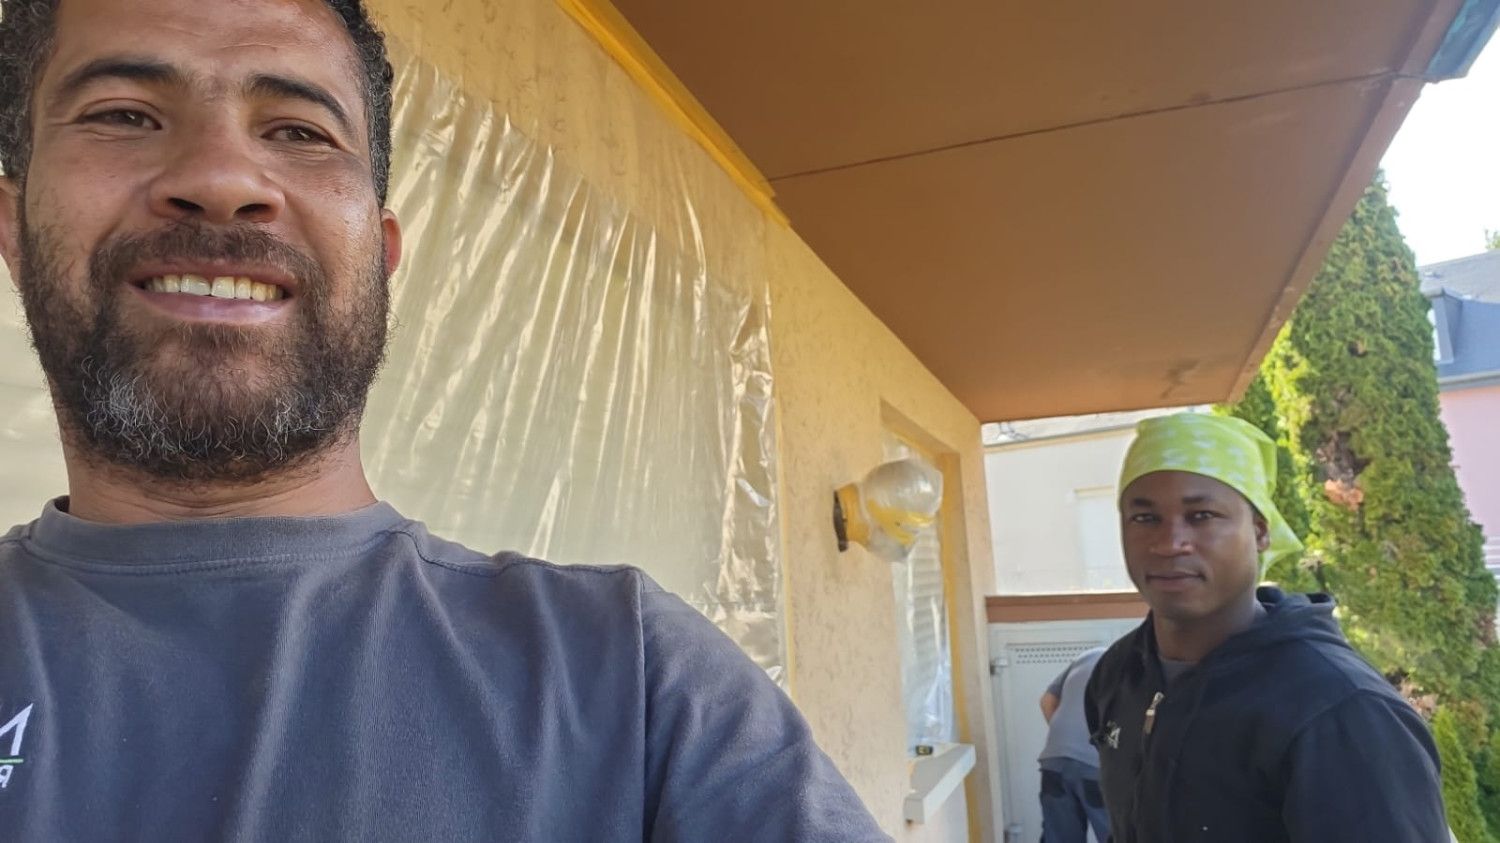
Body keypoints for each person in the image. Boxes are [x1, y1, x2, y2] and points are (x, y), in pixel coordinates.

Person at [0, 1, 888, 840]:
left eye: (300, 131)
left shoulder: (638, 680)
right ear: (12, 228)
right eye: (123, 115)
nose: (221, 179)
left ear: (381, 256)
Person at [1083, 413, 1448, 842]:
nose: (1169, 543)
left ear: (1260, 532)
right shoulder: (1120, 673)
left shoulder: (1339, 710)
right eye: (1145, 518)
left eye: (1201, 515)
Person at [1037, 645, 1110, 842]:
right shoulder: (1132, 662)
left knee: (1059, 837)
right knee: (1116, 833)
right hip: (1095, 765)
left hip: (1055, 759)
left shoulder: (1088, 655)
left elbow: (1046, 701)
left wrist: (1069, 741)